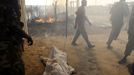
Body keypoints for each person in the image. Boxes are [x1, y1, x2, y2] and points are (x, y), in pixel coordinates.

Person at [0, 0, 33, 75]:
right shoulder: (8, 6)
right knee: (16, 68)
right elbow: (14, 27)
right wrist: (27, 36)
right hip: (8, 46)